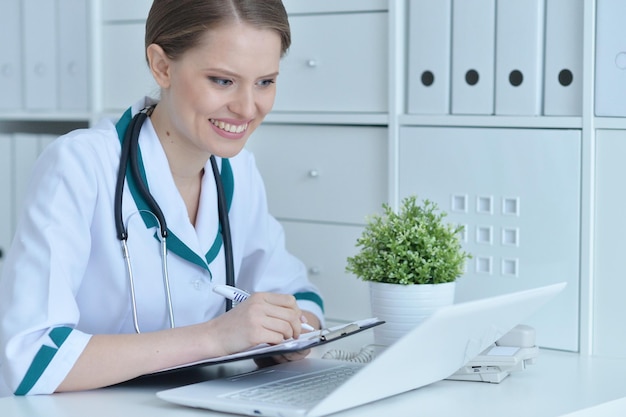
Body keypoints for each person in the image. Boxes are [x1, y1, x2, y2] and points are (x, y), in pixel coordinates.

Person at [0, 0, 324, 396]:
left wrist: (288, 335)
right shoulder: (80, 165)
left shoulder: (238, 171)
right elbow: (31, 358)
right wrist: (215, 338)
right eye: (222, 80)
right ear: (162, 66)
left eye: (265, 82)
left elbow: (298, 297)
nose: (246, 107)